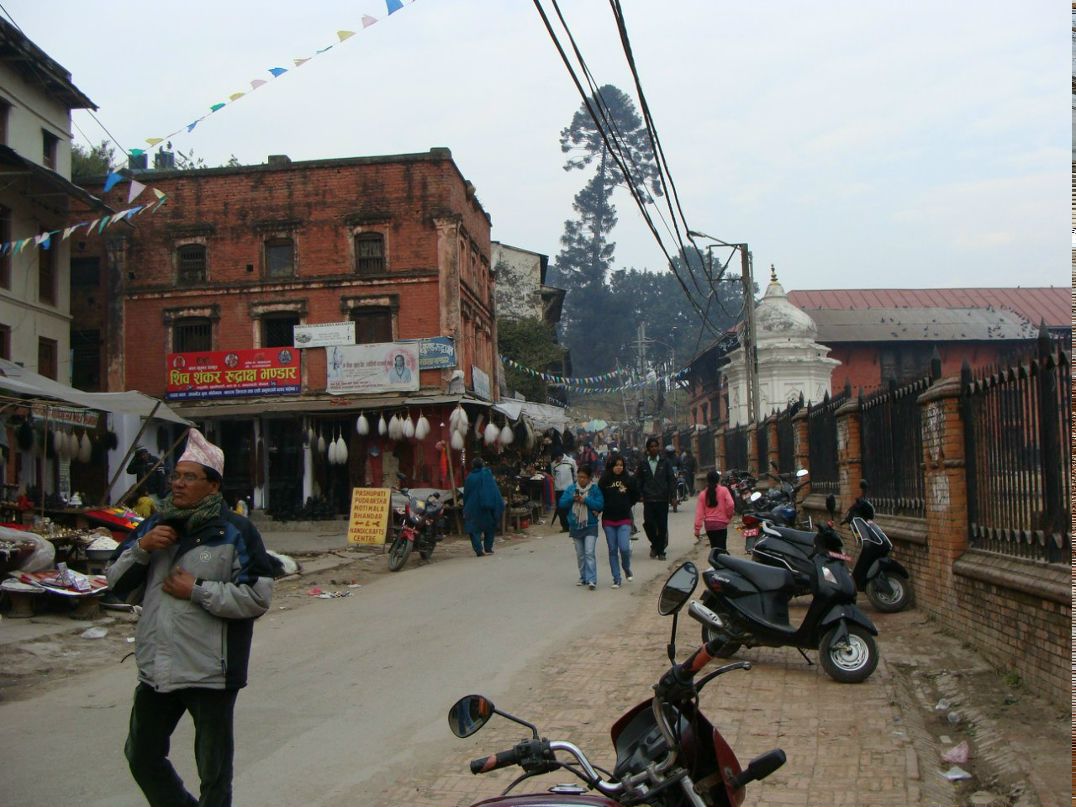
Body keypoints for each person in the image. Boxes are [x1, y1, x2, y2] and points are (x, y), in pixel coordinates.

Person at [107, 429, 279, 807]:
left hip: (210, 671)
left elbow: (257, 596)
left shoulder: (236, 532)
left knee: (213, 775)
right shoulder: (154, 526)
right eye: (176, 476)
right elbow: (115, 586)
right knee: (141, 756)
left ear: (213, 486)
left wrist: (197, 589)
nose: (178, 484)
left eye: (189, 477)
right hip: (158, 667)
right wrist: (141, 549)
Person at [559, 464, 604, 590]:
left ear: (589, 478)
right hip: (575, 525)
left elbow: (600, 505)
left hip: (590, 525)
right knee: (580, 554)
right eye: (579, 477)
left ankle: (592, 579)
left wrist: (585, 500)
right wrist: (572, 498)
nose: (581, 479)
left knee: (589, 552)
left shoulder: (594, 490)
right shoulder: (571, 489)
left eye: (584, 477)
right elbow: (562, 504)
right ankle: (583, 577)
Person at [598, 455, 638, 588]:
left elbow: (635, 495)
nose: (619, 467)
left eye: (621, 465)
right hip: (608, 520)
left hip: (624, 519)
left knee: (624, 548)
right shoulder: (604, 480)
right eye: (616, 465)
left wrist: (627, 504)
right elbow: (599, 497)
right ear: (611, 466)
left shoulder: (629, 479)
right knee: (612, 550)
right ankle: (616, 578)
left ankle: (626, 568)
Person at [636, 437, 675, 560]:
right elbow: (639, 480)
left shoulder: (665, 462)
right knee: (649, 524)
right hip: (648, 499)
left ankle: (661, 551)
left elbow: (671, 479)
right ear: (648, 449)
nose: (654, 448)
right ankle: (655, 544)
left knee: (662, 525)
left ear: (659, 448)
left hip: (662, 498)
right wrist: (639, 494)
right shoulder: (643, 463)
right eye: (651, 446)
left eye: (655, 446)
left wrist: (673, 496)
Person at [462, 458, 505, 556]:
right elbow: (494, 490)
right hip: (487, 505)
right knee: (489, 527)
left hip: (472, 506)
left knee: (474, 529)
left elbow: (466, 493)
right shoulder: (487, 474)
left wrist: (465, 506)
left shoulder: (469, 477)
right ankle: (488, 548)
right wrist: (498, 502)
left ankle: (479, 550)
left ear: (473, 466)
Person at [694, 469, 736, 553]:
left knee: (714, 548)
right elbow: (731, 504)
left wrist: (697, 530)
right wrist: (728, 517)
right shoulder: (724, 490)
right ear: (718, 479)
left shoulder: (703, 494)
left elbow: (699, 514)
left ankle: (715, 560)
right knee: (722, 549)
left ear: (707, 480)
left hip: (709, 526)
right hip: (721, 524)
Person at [550, 451, 577, 532]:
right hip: (558, 490)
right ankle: (565, 527)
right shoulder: (553, 464)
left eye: (557, 458)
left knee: (570, 508)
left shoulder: (571, 461)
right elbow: (553, 475)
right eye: (555, 458)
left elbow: (576, 474)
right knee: (561, 509)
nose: (556, 460)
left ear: (561, 456)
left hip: (569, 489)